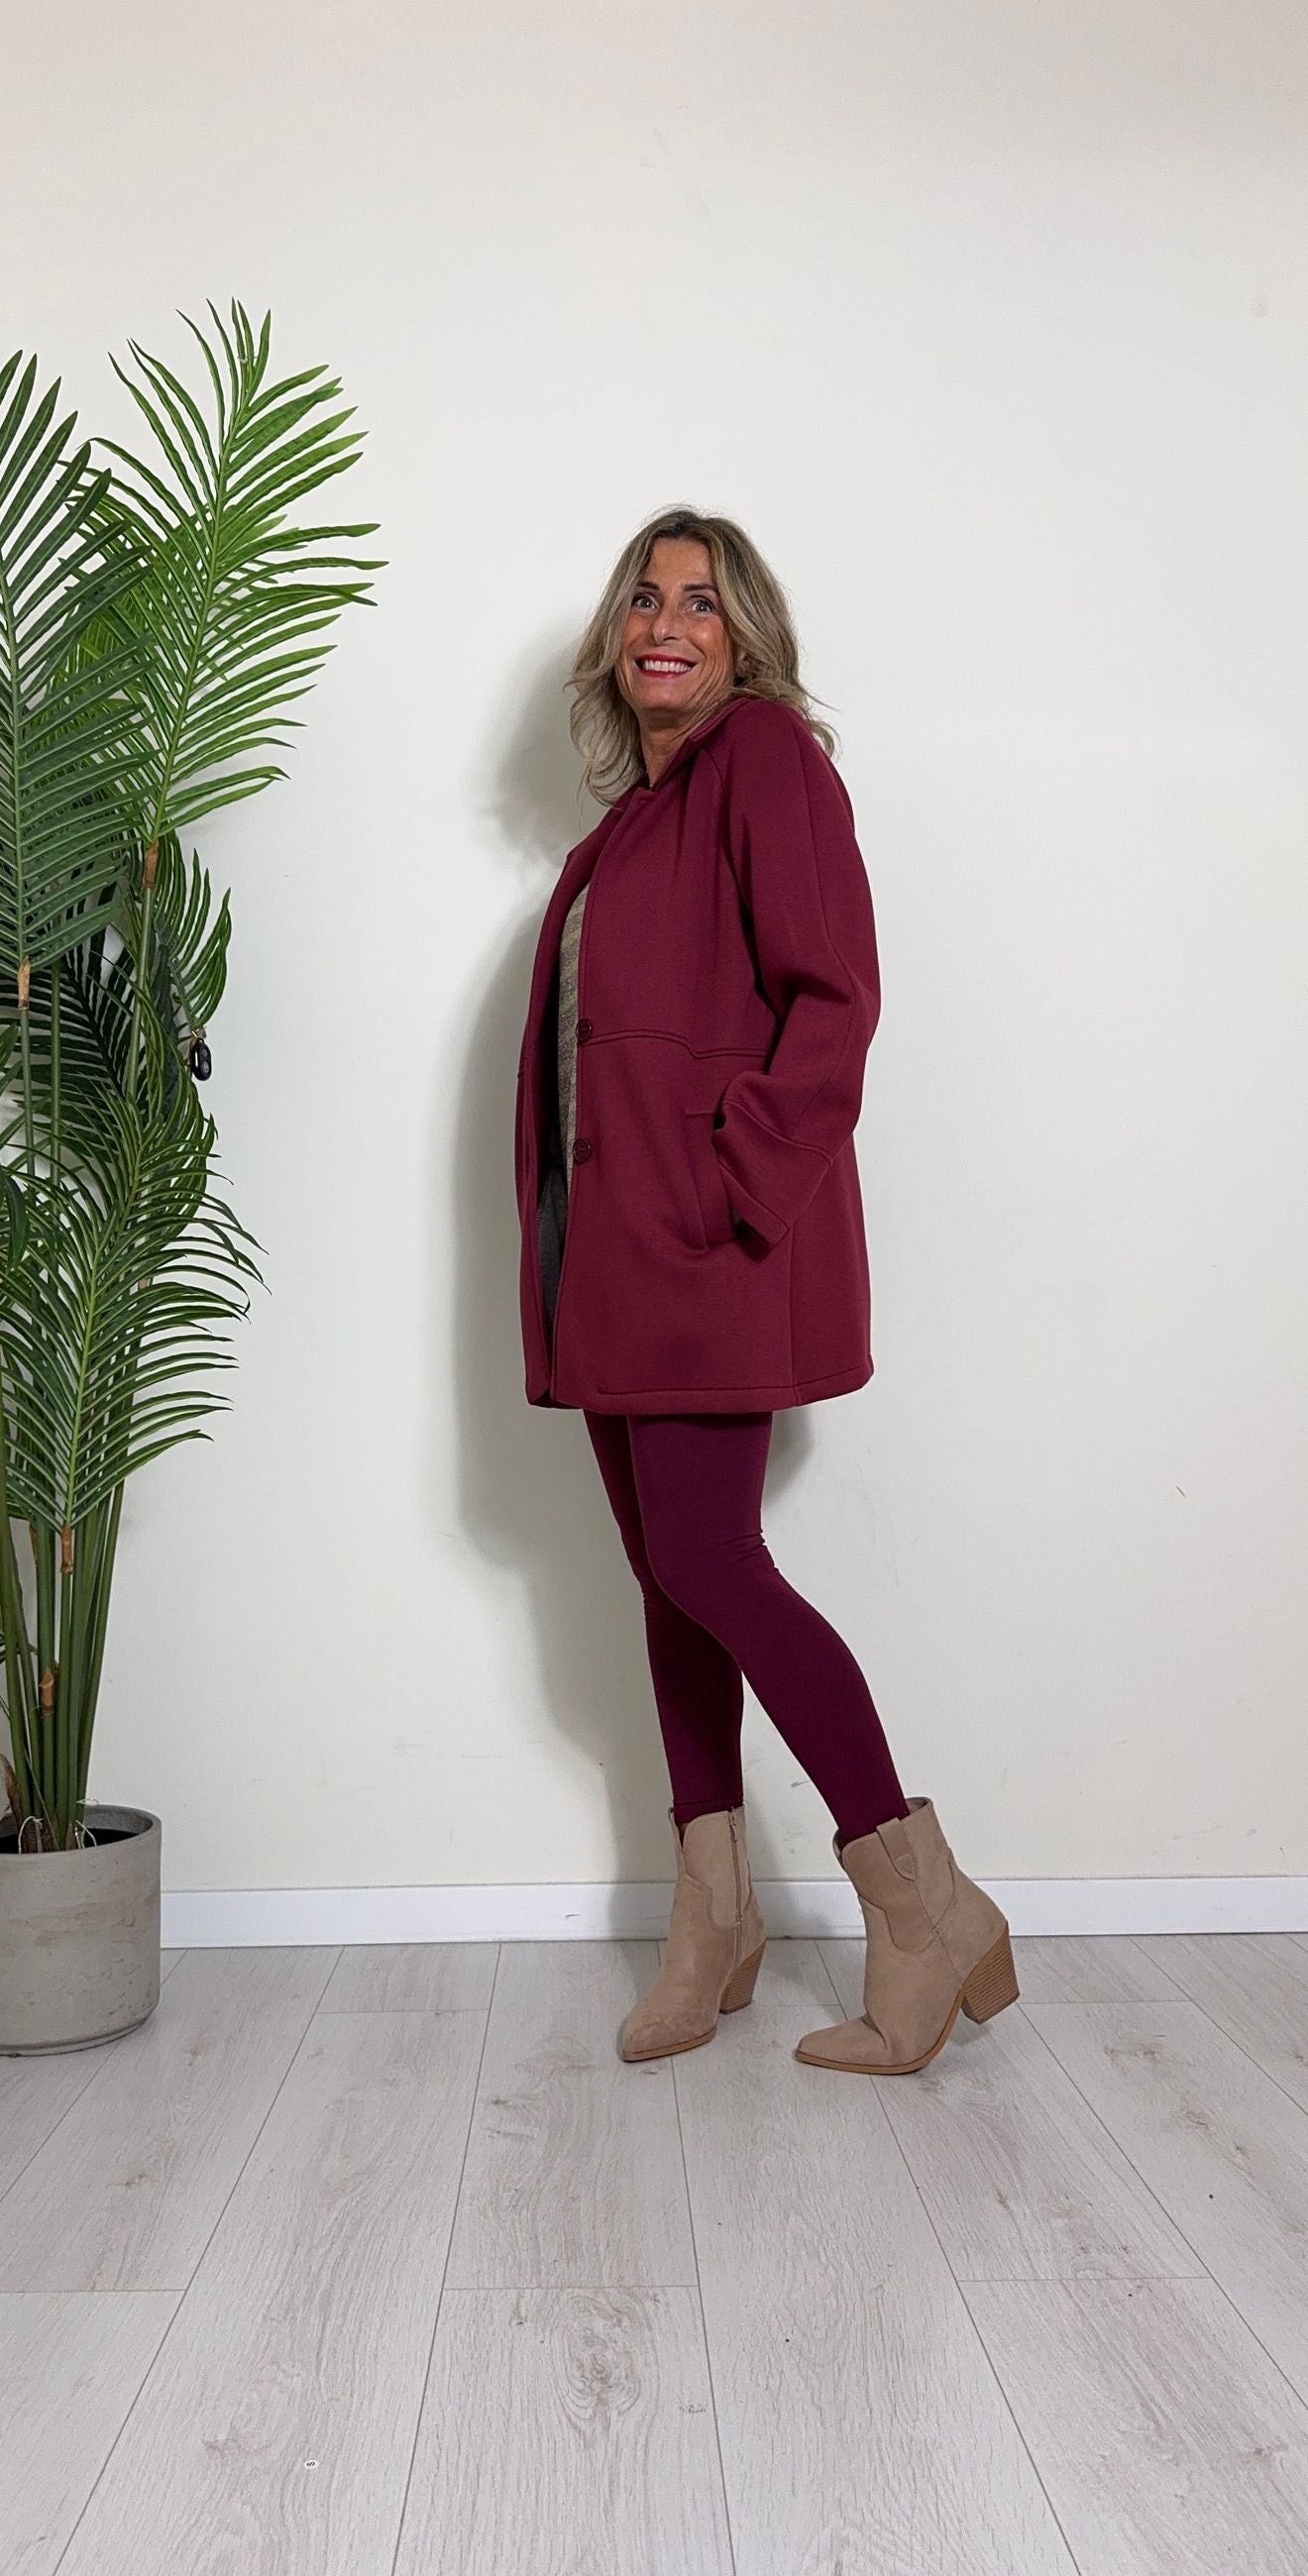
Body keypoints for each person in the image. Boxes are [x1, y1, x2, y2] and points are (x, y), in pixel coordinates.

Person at [513, 505, 1019, 2074]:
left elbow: (835, 996)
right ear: (615, 637)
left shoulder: (767, 761)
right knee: (666, 1573)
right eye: (644, 598)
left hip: (701, 1254)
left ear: (745, 641)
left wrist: (733, 1183)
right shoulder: (624, 832)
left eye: (701, 602)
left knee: (712, 1559)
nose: (665, 623)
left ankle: (925, 1908)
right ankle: (716, 1917)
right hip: (612, 1262)